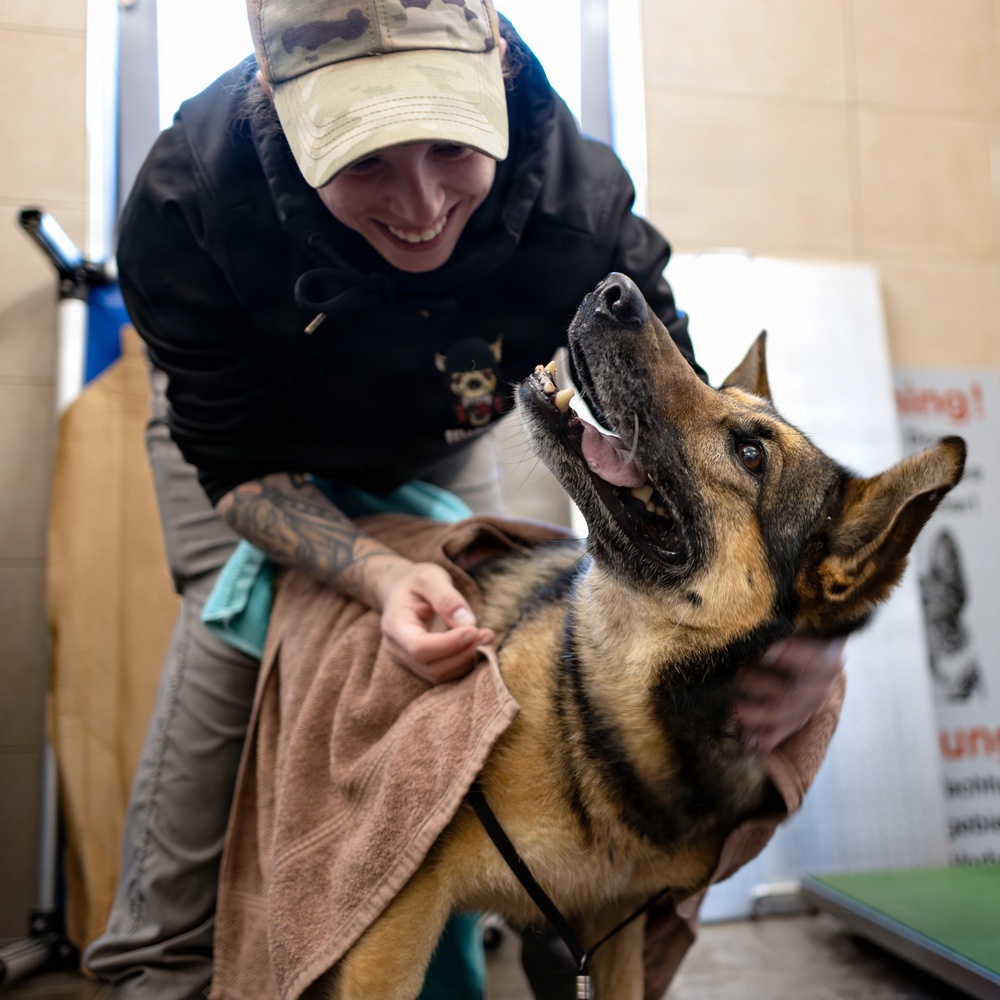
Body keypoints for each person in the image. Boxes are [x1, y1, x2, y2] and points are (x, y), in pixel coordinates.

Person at [83, 1, 846, 997]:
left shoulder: (577, 206)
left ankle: (554, 931)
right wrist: (381, 571)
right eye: (362, 162)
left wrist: (811, 618)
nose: (419, 206)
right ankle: (158, 955)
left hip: (442, 430)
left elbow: (690, 440)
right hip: (254, 457)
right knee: (235, 650)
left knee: (494, 670)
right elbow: (234, 470)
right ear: (275, 101)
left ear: (495, 70)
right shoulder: (187, 199)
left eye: (452, 145)